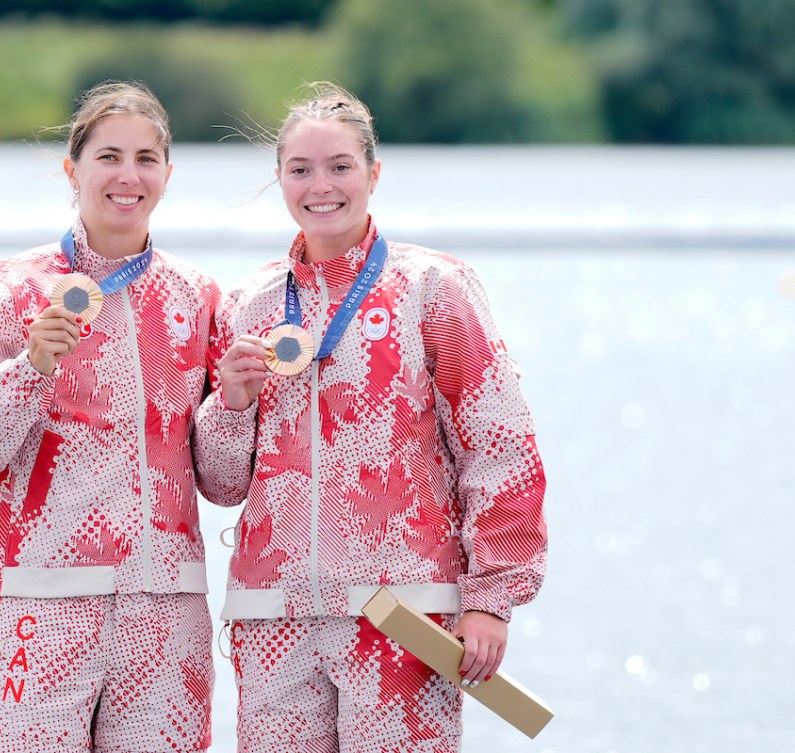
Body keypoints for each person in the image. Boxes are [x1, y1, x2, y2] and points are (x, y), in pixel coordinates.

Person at [194, 82, 547, 753]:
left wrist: (488, 599)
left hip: (406, 610)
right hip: (275, 612)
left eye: (339, 166)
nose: (318, 186)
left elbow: (499, 443)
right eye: (299, 169)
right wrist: (231, 404)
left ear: (373, 174)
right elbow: (219, 483)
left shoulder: (432, 288)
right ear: (278, 179)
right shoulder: (248, 304)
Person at [0, 81, 219, 753]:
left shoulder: (197, 298)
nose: (127, 175)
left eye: (146, 158)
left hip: (166, 612)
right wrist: (28, 367)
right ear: (72, 169)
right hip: (41, 603)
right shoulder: (10, 288)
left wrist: (234, 402)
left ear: (167, 175)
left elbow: (225, 479)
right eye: (108, 155)